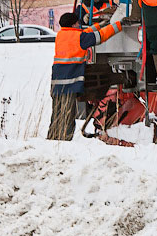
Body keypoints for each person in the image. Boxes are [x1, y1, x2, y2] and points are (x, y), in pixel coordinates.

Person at [48, 13, 124, 141]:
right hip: (70, 82)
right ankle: (64, 140)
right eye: (78, 23)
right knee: (68, 113)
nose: (79, 25)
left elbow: (85, 32)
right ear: (73, 24)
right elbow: (99, 37)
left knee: (57, 112)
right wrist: (117, 24)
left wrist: (99, 25)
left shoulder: (61, 34)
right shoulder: (79, 37)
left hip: (57, 81)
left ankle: (52, 137)